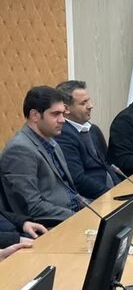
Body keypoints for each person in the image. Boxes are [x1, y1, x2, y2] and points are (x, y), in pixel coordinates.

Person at [0, 86, 81, 225]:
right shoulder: (20, 150)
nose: (62, 120)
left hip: (71, 214)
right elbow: (33, 208)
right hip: (52, 226)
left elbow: (69, 191)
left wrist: (90, 208)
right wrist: (78, 217)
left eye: (63, 113)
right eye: (56, 114)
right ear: (34, 115)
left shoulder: (51, 142)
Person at [55, 81, 120, 199]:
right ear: (66, 109)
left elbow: (108, 165)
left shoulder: (93, 129)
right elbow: (77, 179)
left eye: (89, 100)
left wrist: (120, 188)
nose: (90, 106)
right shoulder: (62, 135)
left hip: (110, 192)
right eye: (83, 103)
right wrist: (110, 195)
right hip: (92, 199)